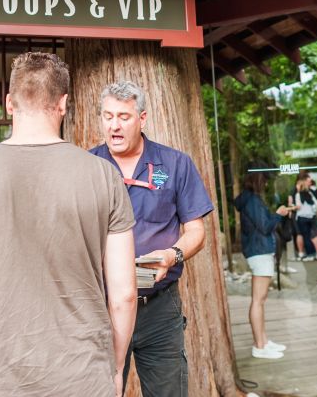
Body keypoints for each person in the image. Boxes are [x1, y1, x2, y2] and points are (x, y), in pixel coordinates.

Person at [0, 52, 137, 397]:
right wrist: (115, 369)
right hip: (85, 378)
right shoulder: (103, 175)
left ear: (9, 103)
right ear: (63, 104)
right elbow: (124, 295)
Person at [90, 80, 215, 397]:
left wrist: (174, 254)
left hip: (159, 307)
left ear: (142, 118)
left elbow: (196, 231)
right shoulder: (87, 167)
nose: (114, 126)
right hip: (101, 308)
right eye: (107, 116)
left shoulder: (175, 164)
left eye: (123, 116)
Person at [234, 171, 290, 359]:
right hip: (259, 252)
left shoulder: (250, 200)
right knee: (258, 300)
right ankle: (259, 345)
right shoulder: (252, 201)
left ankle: (264, 341)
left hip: (259, 252)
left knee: (261, 299)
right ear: (257, 181)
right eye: (264, 181)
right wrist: (279, 214)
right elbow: (265, 226)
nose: (266, 185)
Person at [289, 172, 317, 262]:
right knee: (311, 235)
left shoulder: (297, 194)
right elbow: (316, 204)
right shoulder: (310, 193)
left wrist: (292, 208)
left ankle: (307, 254)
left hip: (301, 217)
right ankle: (313, 253)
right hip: (311, 216)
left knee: (303, 236)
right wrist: (313, 211)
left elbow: (297, 206)